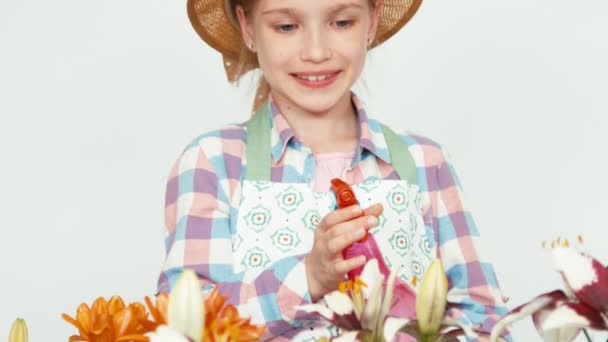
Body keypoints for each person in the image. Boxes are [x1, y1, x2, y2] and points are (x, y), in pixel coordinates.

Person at [157, 0, 511, 340]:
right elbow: (187, 326)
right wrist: (307, 278)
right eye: (286, 26)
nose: (316, 51)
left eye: (342, 22)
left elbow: (486, 322)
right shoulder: (214, 163)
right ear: (249, 27)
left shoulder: (424, 162)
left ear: (371, 22)